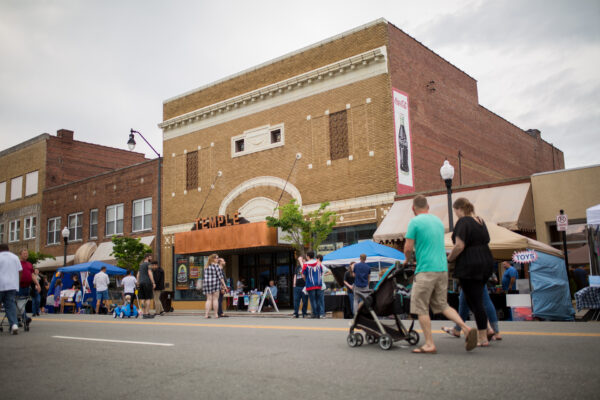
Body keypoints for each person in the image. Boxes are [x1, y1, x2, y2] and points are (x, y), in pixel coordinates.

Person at [404, 195, 477, 354]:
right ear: (428, 207)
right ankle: (465, 327)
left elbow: (408, 248)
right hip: (442, 268)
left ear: (413, 209)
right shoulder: (437, 221)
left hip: (426, 270)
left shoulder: (414, 222)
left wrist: (405, 261)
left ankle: (429, 343)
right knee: (443, 305)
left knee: (421, 306)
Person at [446, 198, 496, 346]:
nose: (456, 214)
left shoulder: (463, 222)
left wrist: (450, 258)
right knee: (472, 298)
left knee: (475, 301)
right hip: (485, 261)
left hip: (470, 264)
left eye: (456, 211)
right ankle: (487, 329)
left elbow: (459, 246)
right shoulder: (480, 221)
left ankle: (482, 337)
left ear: (460, 208)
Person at [0, 243, 23, 334]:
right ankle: (14, 324)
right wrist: (18, 282)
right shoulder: (15, 257)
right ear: (8, 249)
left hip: (1, 284)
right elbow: (20, 271)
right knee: (10, 305)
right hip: (12, 285)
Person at [301, 251, 323, 318]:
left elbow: (303, 275)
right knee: (318, 299)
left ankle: (315, 314)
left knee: (312, 300)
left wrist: (306, 280)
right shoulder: (319, 264)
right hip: (319, 284)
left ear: (308, 256)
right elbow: (321, 273)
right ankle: (319, 314)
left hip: (310, 284)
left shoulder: (306, 264)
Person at [19, 248, 38, 325]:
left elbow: (32, 275)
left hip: (27, 286)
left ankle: (19, 319)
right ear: (20, 254)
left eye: (27, 254)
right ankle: (24, 318)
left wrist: (37, 284)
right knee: (19, 304)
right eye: (24, 254)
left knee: (23, 304)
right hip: (19, 286)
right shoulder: (18, 263)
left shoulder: (29, 264)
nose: (26, 255)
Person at [203, 254, 226, 318]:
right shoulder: (217, 266)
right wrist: (224, 285)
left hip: (207, 284)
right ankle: (216, 314)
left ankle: (206, 315)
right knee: (215, 299)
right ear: (213, 259)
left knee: (208, 300)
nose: (218, 259)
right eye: (216, 258)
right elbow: (221, 277)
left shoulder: (206, 266)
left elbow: (204, 276)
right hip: (215, 283)